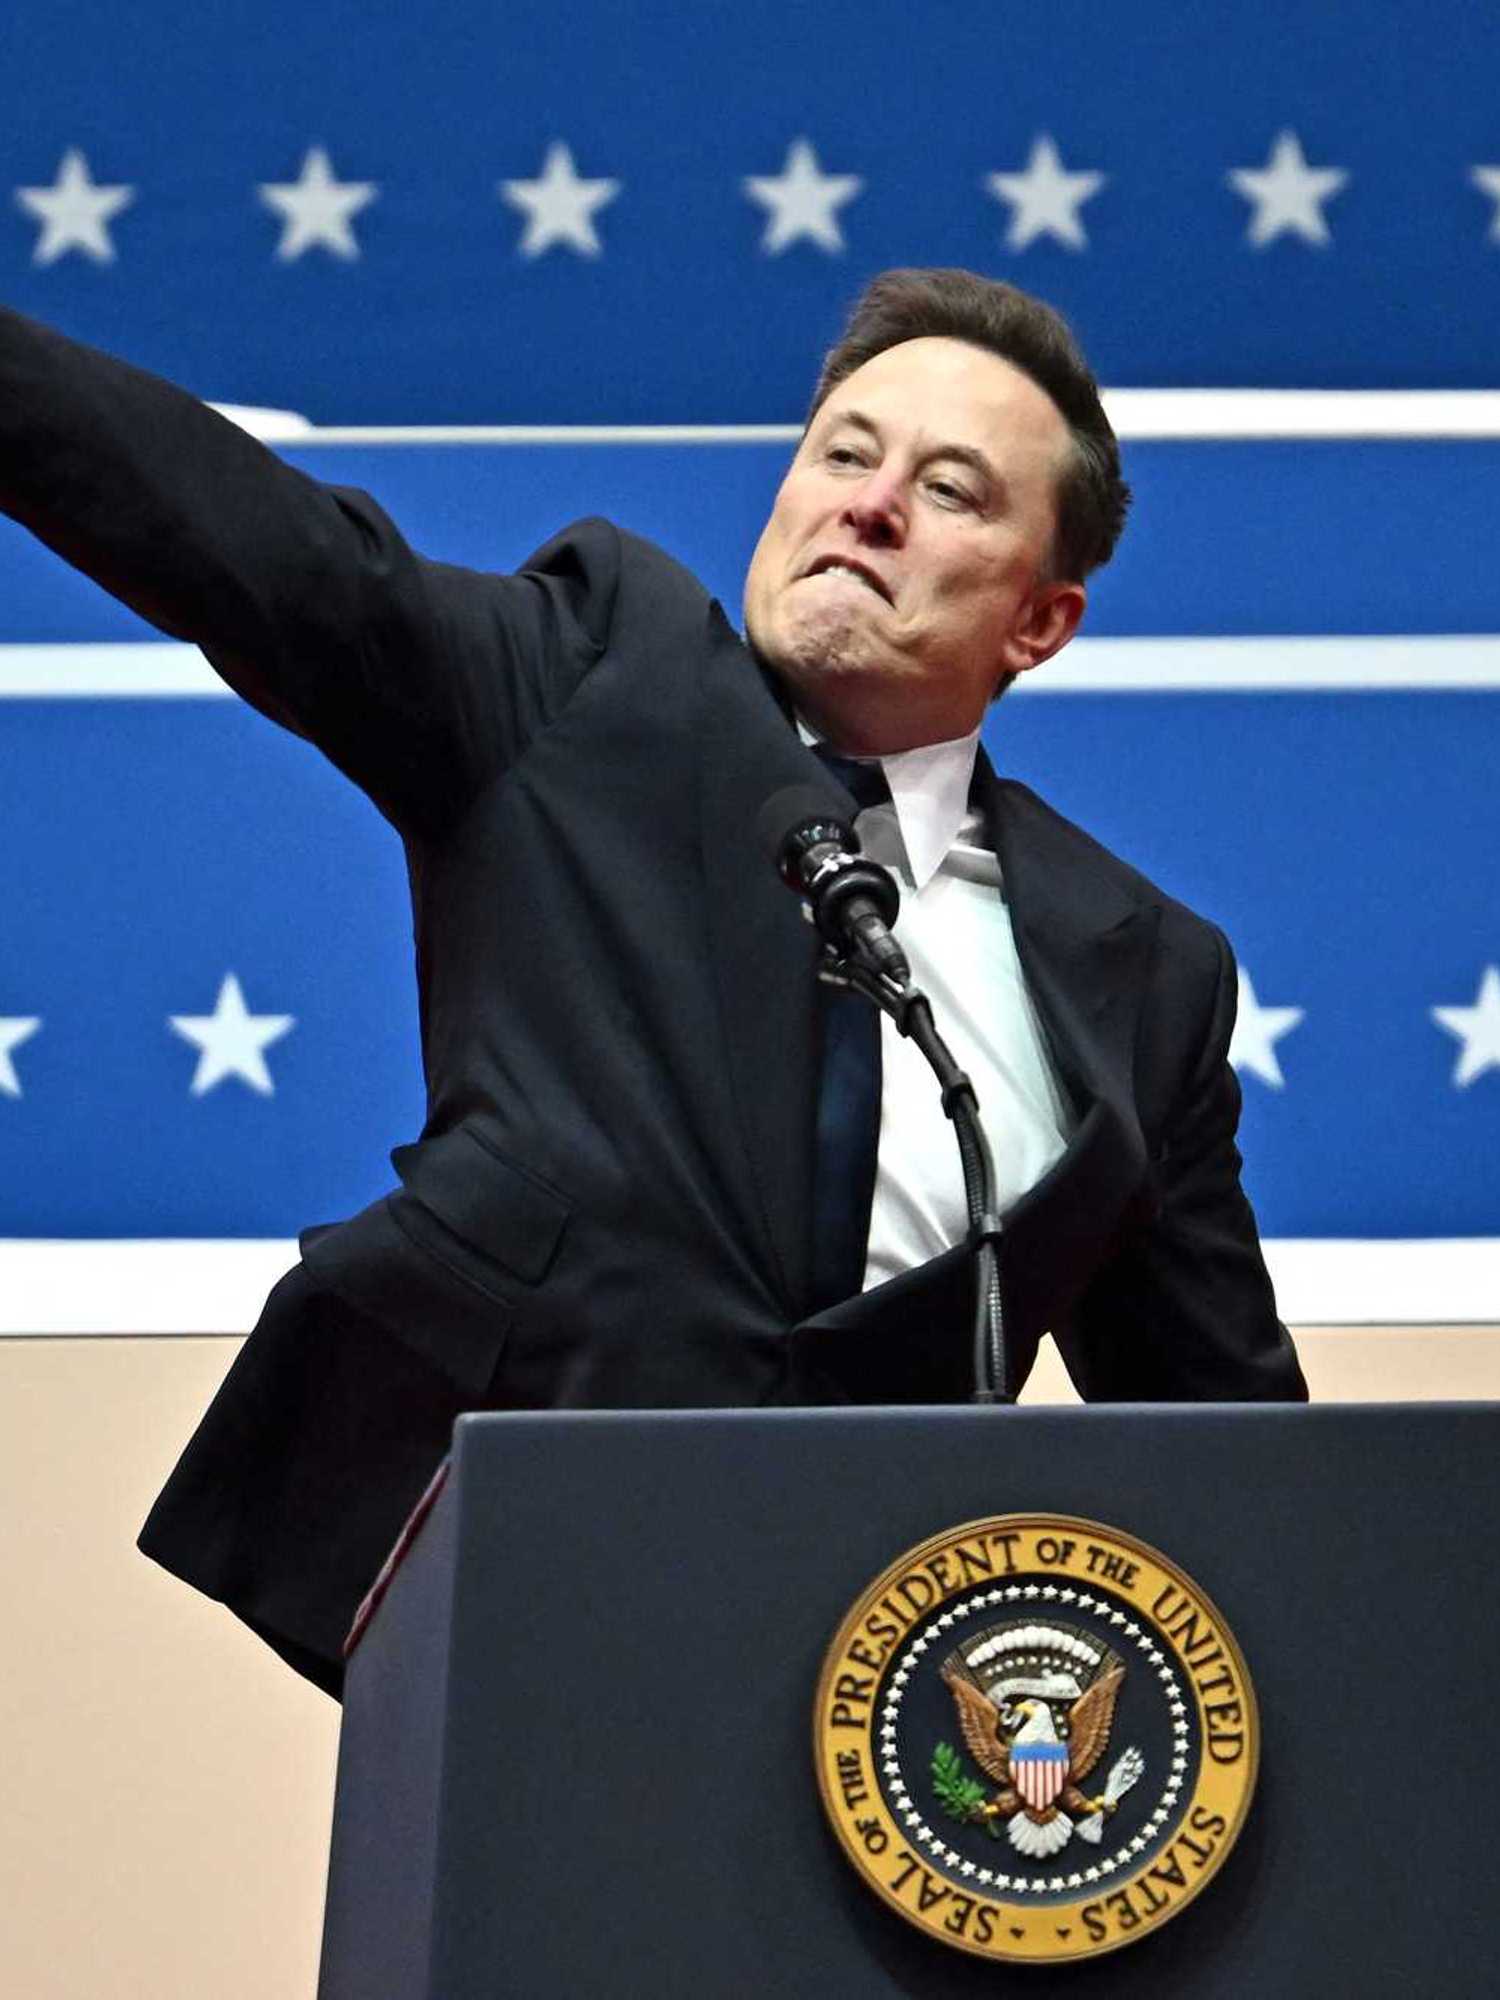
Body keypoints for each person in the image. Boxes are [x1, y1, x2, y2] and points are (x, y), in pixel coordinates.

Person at [0, 269, 1306, 1695]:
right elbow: (269, 552)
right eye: (845, 453)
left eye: (952, 492)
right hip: (523, 1603)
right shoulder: (590, 680)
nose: (870, 505)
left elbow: (1234, 1455)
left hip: (889, 1693)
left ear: (1040, 622)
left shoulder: (1150, 972)